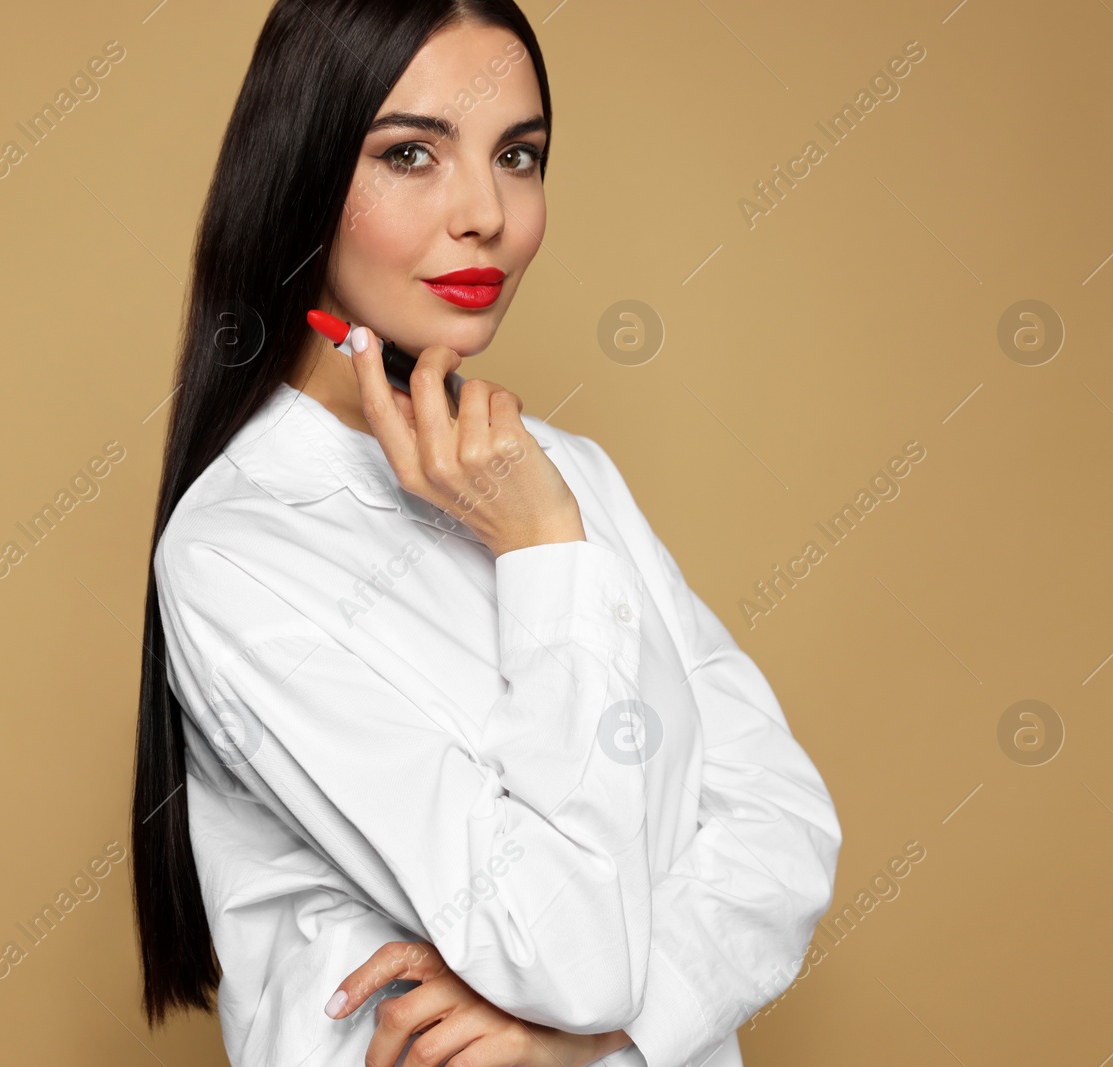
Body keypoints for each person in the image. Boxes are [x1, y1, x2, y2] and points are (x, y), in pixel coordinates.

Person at [130, 1, 843, 1064]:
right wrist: (545, 553)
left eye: (519, 154)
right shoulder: (241, 548)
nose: (485, 213)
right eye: (409, 153)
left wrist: (591, 1040)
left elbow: (783, 830)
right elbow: (569, 953)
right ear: (299, 176)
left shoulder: (554, 478)